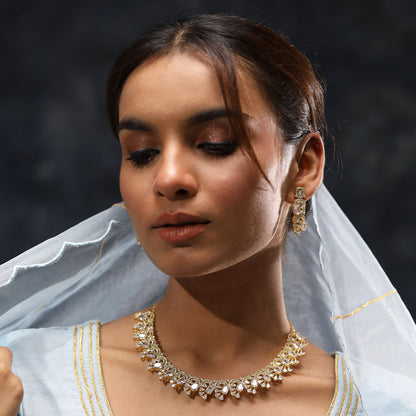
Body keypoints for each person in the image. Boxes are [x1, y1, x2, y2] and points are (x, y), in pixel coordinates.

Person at [1, 14, 415, 416]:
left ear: (303, 166)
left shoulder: (385, 405)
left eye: (216, 144)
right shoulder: (24, 378)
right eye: (142, 153)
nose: (168, 178)